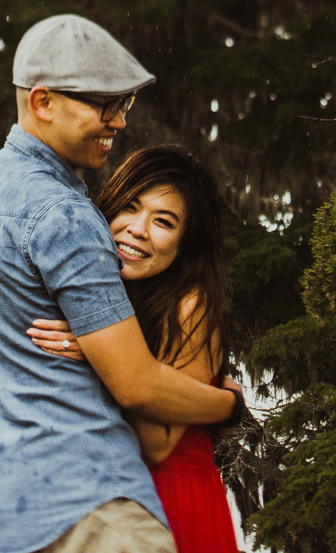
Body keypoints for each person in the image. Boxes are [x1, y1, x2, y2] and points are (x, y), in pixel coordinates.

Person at [0, 15, 244, 553]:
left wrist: (91, 351)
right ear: (42, 102)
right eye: (102, 105)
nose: (117, 121)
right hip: (89, 507)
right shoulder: (63, 212)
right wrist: (229, 406)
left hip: (3, 510)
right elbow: (134, 385)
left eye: (124, 106)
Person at [20, 147, 241, 553]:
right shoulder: (86, 292)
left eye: (163, 222)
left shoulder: (190, 305)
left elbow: (158, 445)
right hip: (95, 504)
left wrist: (101, 355)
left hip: (170, 502)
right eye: (129, 207)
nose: (137, 229)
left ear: (185, 244)